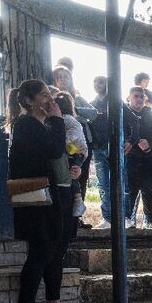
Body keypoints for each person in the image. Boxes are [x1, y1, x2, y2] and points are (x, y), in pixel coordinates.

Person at [6, 80, 79, 303]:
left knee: (54, 249)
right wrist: (58, 120)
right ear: (29, 101)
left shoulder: (39, 125)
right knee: (41, 251)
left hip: (50, 197)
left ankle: (53, 302)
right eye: (44, 95)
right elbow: (54, 149)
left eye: (51, 94)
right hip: (37, 201)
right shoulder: (26, 124)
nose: (51, 99)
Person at [52, 64, 96, 223]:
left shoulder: (77, 97)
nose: (63, 80)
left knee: (78, 176)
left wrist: (73, 109)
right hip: (63, 146)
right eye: (59, 77)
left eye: (66, 76)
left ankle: (77, 214)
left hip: (77, 145)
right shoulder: (52, 96)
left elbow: (93, 113)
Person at [123, 86, 152, 228]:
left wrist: (150, 143)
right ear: (129, 98)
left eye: (142, 96)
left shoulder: (151, 115)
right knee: (130, 191)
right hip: (130, 159)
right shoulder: (123, 113)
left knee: (150, 190)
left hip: (149, 159)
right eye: (136, 96)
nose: (139, 99)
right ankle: (128, 219)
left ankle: (151, 220)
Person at [53, 92, 89, 223]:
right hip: (70, 151)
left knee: (72, 173)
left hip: (76, 152)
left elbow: (72, 135)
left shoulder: (68, 120)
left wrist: (59, 142)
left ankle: (78, 200)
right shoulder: (64, 120)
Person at [89, 76, 112, 228]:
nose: (98, 85)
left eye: (101, 82)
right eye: (95, 82)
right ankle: (107, 218)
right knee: (103, 184)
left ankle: (123, 217)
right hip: (98, 148)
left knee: (120, 184)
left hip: (114, 147)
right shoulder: (90, 105)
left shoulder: (115, 103)